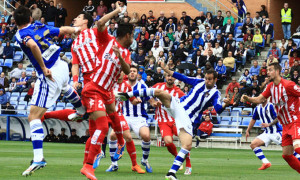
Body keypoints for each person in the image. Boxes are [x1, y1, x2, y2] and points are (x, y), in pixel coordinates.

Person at [116, 62, 230, 180]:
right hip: (179, 106)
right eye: (206, 78)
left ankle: (171, 173)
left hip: (188, 118)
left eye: (210, 79)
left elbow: (217, 109)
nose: (207, 81)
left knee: (187, 146)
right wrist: (166, 70)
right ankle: (127, 95)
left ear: (215, 80)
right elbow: (182, 77)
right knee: (159, 92)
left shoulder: (215, 93)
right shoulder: (198, 82)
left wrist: (224, 105)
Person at [14, 6, 85, 176]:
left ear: (15, 22)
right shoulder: (38, 26)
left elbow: (32, 45)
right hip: (61, 65)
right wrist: (78, 30)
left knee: (33, 116)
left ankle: (38, 158)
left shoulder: (20, 34)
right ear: (30, 19)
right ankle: (82, 110)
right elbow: (62, 30)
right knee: (66, 87)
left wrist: (44, 68)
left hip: (50, 72)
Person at [72, 3, 132, 179]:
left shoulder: (125, 53)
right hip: (93, 87)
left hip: (106, 90)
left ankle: (119, 143)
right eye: (133, 35)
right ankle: (89, 164)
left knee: (113, 114)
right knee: (102, 126)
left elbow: (127, 71)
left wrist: (120, 61)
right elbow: (99, 24)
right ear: (127, 35)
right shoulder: (106, 39)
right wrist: (116, 11)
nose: (133, 38)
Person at [241, 63, 300, 174]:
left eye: (270, 70)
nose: (267, 72)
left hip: (296, 121)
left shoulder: (288, 85)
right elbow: (259, 99)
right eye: (267, 70)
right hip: (285, 125)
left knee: (297, 148)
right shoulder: (270, 87)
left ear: (277, 71)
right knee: (287, 155)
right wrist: (247, 98)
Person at [152, 73, 192, 175]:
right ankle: (177, 157)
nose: (170, 78)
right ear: (165, 77)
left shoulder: (178, 92)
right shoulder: (158, 86)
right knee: (168, 141)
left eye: (171, 76)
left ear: (175, 78)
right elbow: (148, 94)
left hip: (175, 120)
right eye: (168, 76)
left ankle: (188, 164)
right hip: (163, 121)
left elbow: (186, 104)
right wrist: (153, 102)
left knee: (185, 142)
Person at [106, 71, 145, 173]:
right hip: (105, 113)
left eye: (121, 72)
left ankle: (134, 165)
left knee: (127, 137)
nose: (119, 74)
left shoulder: (126, 86)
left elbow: (132, 100)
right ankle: (113, 164)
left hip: (118, 114)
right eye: (117, 71)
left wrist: (136, 101)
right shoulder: (109, 83)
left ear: (124, 74)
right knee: (109, 136)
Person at [121, 66, 155, 173]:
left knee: (146, 136)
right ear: (127, 73)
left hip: (139, 117)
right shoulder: (122, 85)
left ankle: (144, 160)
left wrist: (154, 103)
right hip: (124, 116)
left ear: (137, 74)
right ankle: (114, 163)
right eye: (130, 71)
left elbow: (150, 99)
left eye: (134, 71)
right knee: (113, 135)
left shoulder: (142, 85)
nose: (132, 73)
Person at [246, 100, 295, 170]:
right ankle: (266, 163)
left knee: (290, 150)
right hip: (267, 133)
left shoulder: (271, 106)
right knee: (253, 144)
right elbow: (253, 119)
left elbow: (278, 118)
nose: (261, 99)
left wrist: (269, 124)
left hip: (276, 132)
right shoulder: (258, 108)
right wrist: (248, 130)